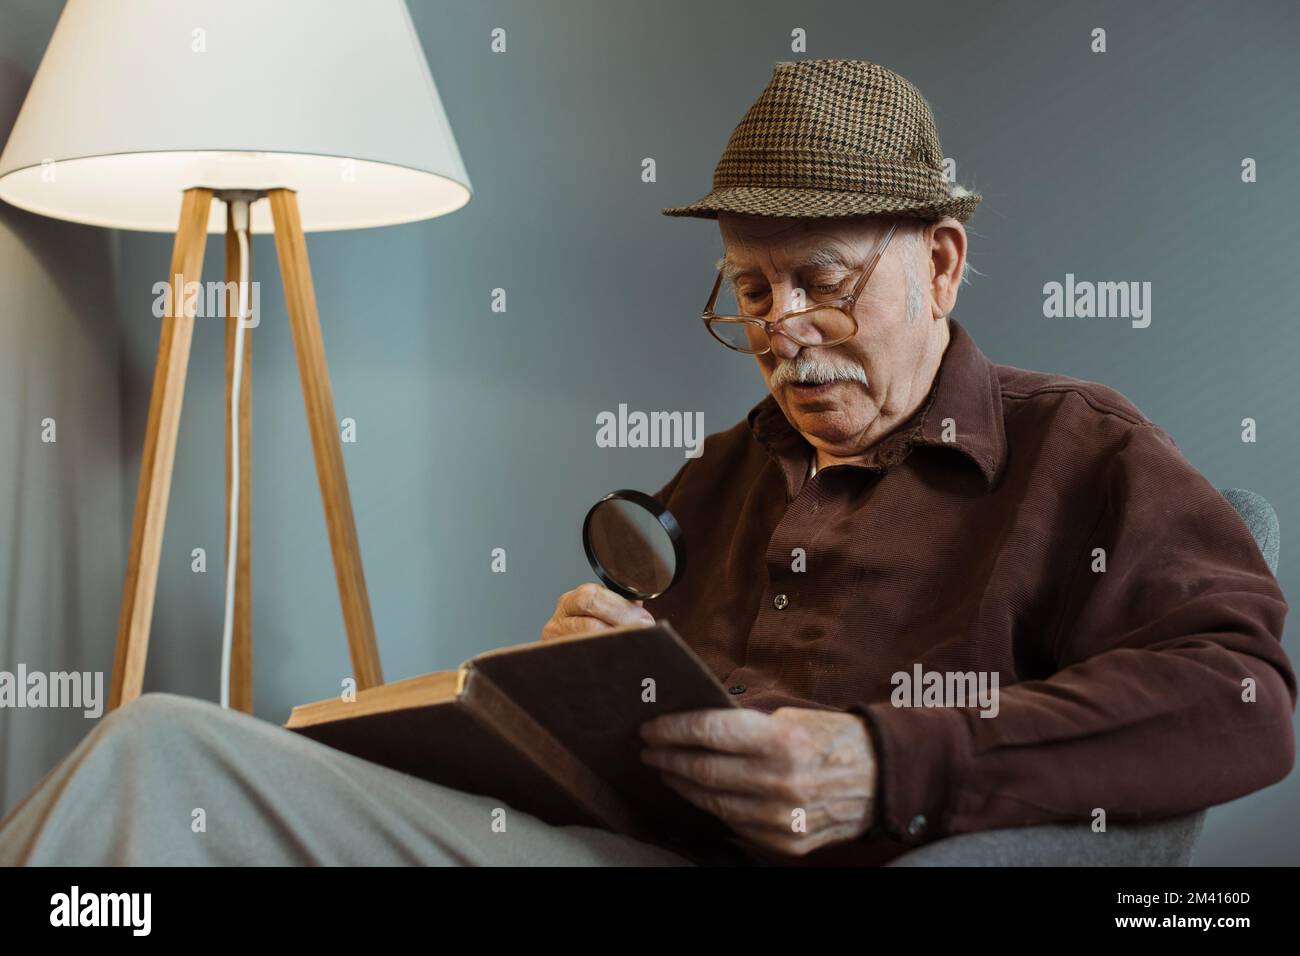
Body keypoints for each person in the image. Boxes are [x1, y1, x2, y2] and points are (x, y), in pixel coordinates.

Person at [1, 58, 1291, 867]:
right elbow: (632, 743)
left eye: (825, 285)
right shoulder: (724, 474)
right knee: (158, 748)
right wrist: (570, 684)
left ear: (940, 264)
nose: (784, 328)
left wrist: (885, 762)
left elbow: (1238, 697)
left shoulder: (1084, 449)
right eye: (753, 289)